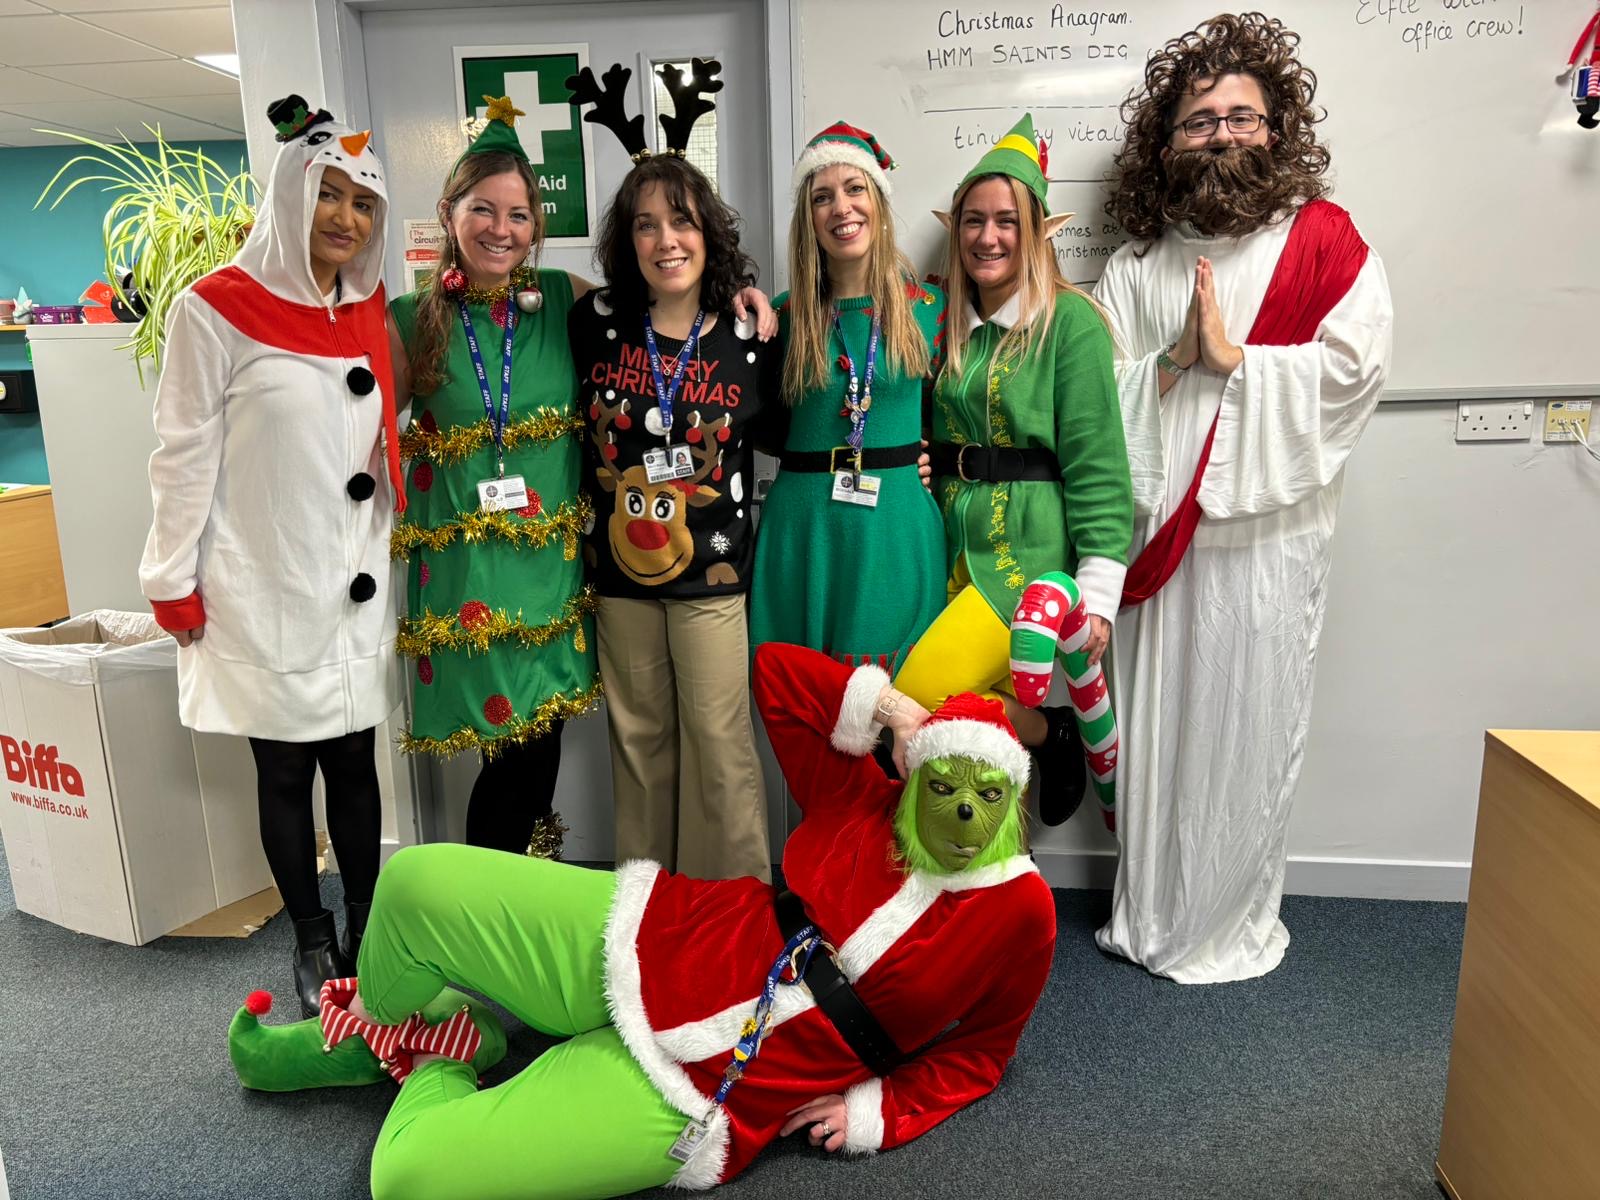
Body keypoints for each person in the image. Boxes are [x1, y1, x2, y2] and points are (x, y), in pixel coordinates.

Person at [227, 641, 1055, 1200]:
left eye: (988, 795)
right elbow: (775, 673)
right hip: (654, 934)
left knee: (407, 1175)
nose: (963, 813)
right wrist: (898, 714)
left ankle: (442, 1049)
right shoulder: (863, 799)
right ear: (915, 777)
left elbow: (982, 1054)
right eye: (944, 785)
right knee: (412, 883)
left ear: (1013, 799)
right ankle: (381, 1020)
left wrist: (881, 1110)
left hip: (707, 1092)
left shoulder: (1023, 912)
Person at [1093, 13, 1393, 983]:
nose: (1221, 134)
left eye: (1240, 117)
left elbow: (1356, 372)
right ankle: (1148, 916)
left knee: (1248, 734)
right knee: (1155, 740)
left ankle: (1229, 924)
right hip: (1157, 543)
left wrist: (1240, 364)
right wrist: (1174, 361)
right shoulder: (1135, 266)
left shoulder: (1323, 242)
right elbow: (1095, 402)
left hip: (1268, 542)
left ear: (1275, 127)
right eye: (1198, 120)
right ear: (1166, 141)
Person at [139, 94, 401, 1015]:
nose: (345, 218)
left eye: (362, 203)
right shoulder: (213, 309)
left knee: (355, 761)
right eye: (329, 194)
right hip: (263, 580)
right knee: (286, 768)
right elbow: (181, 454)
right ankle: (312, 936)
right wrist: (171, 579)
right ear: (291, 193)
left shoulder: (366, 307)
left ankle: (370, 924)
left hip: (353, 583)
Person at [566, 60, 782, 881]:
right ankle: (645, 913)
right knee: (639, 745)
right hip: (620, 578)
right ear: (627, 241)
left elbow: (794, 430)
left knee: (720, 747)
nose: (667, 241)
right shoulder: (593, 322)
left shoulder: (749, 331)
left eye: (683, 222)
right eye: (647, 225)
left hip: (714, 577)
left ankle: (733, 916)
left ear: (709, 233)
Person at [894, 115, 1134, 827]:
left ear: (1034, 233)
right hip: (949, 547)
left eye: (1006, 221)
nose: (988, 237)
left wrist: (1099, 591)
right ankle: (994, 863)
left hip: (1026, 558)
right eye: (974, 220)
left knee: (919, 694)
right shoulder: (944, 322)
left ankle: (1050, 732)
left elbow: (1098, 463)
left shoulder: (1071, 322)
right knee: (970, 753)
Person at [388, 98, 600, 859]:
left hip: (550, 572)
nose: (500, 229)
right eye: (483, 209)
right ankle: (493, 892)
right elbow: (359, 432)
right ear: (450, 213)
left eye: (518, 214)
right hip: (468, 576)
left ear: (536, 225)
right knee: (506, 750)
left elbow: (662, 325)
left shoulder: (567, 301)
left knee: (539, 744)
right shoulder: (411, 318)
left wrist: (743, 298)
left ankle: (516, 882)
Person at [748, 122, 947, 675]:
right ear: (808, 218)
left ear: (878, 202)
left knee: (902, 703)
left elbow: (964, 409)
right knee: (807, 701)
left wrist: (934, 456)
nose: (841, 207)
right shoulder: (781, 317)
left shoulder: (932, 308)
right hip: (804, 534)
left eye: (855, 189)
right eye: (822, 196)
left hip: (895, 531)